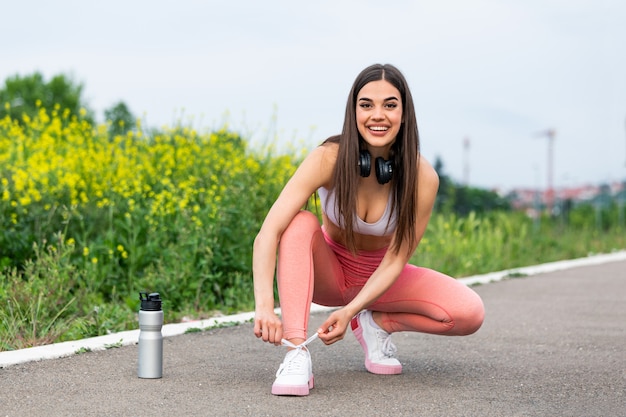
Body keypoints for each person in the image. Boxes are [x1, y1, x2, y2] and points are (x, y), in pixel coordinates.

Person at [252, 63, 485, 396]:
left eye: (390, 105)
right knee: (299, 222)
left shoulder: (422, 177)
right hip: (328, 275)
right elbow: (268, 233)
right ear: (354, 111)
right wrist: (264, 306)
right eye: (367, 105)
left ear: (404, 114)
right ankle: (296, 352)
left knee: (469, 312)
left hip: (382, 280)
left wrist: (351, 312)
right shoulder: (327, 159)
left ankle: (376, 324)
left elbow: (395, 259)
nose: (378, 115)